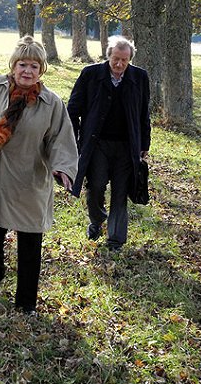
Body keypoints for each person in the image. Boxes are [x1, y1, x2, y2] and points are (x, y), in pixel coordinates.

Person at [0, 35, 78, 314]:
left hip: (29, 182)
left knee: (30, 245)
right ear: (13, 66)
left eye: (34, 66)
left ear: (41, 70)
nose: (27, 71)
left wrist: (62, 168)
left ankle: (25, 303)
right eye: (22, 64)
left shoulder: (51, 104)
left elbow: (61, 140)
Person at [67, 35, 151, 252]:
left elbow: (144, 114)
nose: (120, 64)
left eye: (125, 60)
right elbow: (73, 110)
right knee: (95, 186)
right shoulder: (91, 74)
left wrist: (144, 144)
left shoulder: (140, 77)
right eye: (116, 59)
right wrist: (73, 141)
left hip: (127, 146)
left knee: (121, 192)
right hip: (97, 145)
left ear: (130, 59)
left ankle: (115, 240)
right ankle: (96, 220)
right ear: (108, 56)